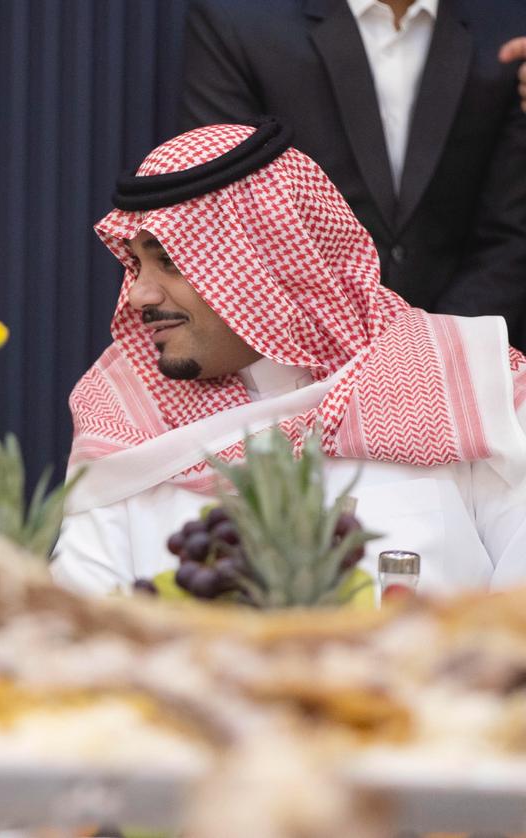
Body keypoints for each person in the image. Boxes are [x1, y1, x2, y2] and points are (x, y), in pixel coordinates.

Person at [52, 121, 526, 596]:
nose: (138, 294)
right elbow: (75, 616)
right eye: (136, 264)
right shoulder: (123, 415)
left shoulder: (464, 380)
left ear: (265, 262)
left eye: (170, 262)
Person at [179, 0, 526, 344]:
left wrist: (444, 346)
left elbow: (511, 229)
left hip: (469, 342)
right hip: (297, 347)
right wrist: (333, 352)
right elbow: (224, 210)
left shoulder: (508, 24)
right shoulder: (238, 19)